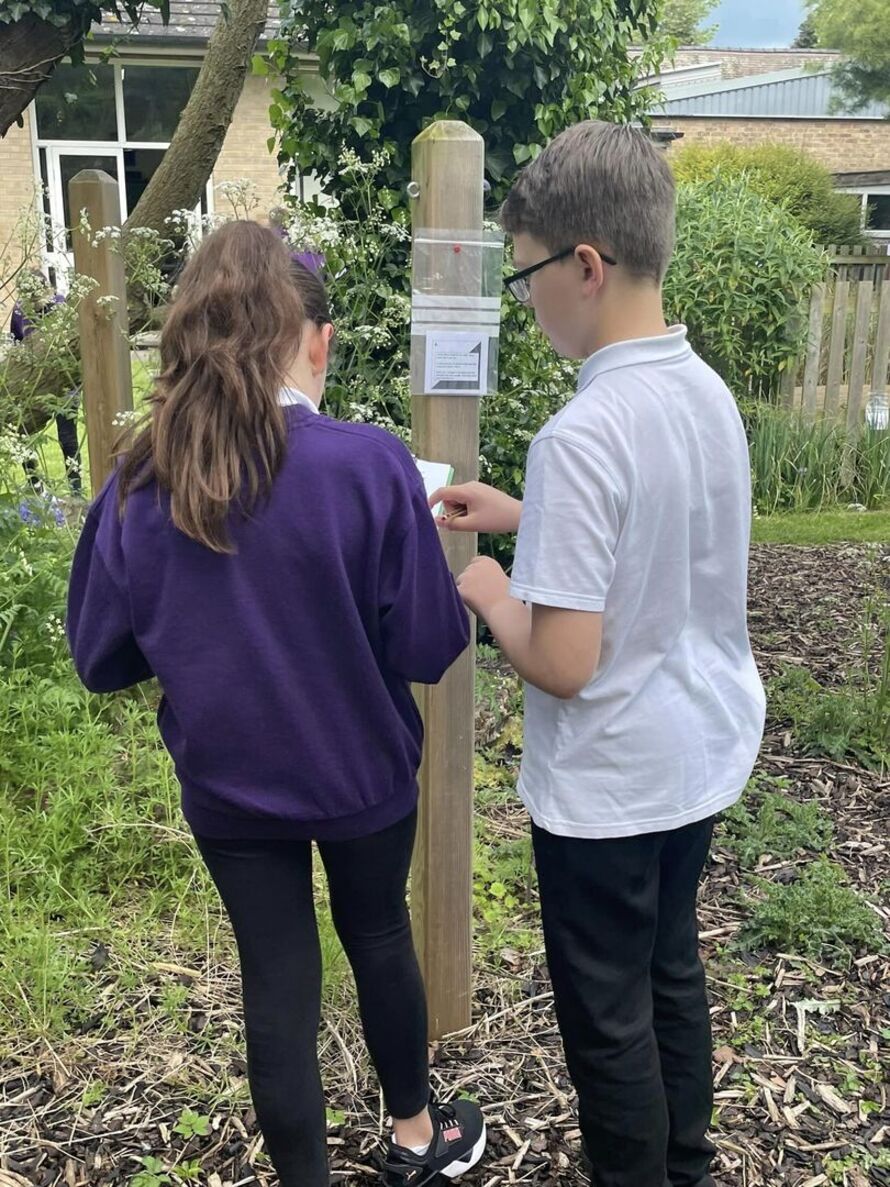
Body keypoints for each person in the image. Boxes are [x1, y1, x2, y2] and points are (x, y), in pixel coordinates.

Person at [66, 221, 486, 1187]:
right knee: (377, 929)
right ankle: (417, 1136)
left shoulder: (142, 479)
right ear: (315, 339)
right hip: (364, 776)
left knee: (276, 974)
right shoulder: (369, 466)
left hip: (230, 785)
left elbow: (100, 655)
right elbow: (427, 643)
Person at [432, 121, 766, 1187]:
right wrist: (530, 518)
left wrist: (487, 584)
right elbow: (655, 533)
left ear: (584, 265)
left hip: (610, 782)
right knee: (669, 969)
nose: (523, 296)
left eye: (526, 269)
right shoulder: (701, 394)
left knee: (606, 1016)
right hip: (699, 750)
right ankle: (685, 1166)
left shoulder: (579, 434)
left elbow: (566, 658)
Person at [10, 269, 83, 495]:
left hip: (63, 384)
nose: (32, 302)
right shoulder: (20, 310)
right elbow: (17, 342)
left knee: (67, 438)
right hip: (32, 385)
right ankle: (34, 484)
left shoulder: (61, 306)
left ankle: (76, 491)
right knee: (21, 433)